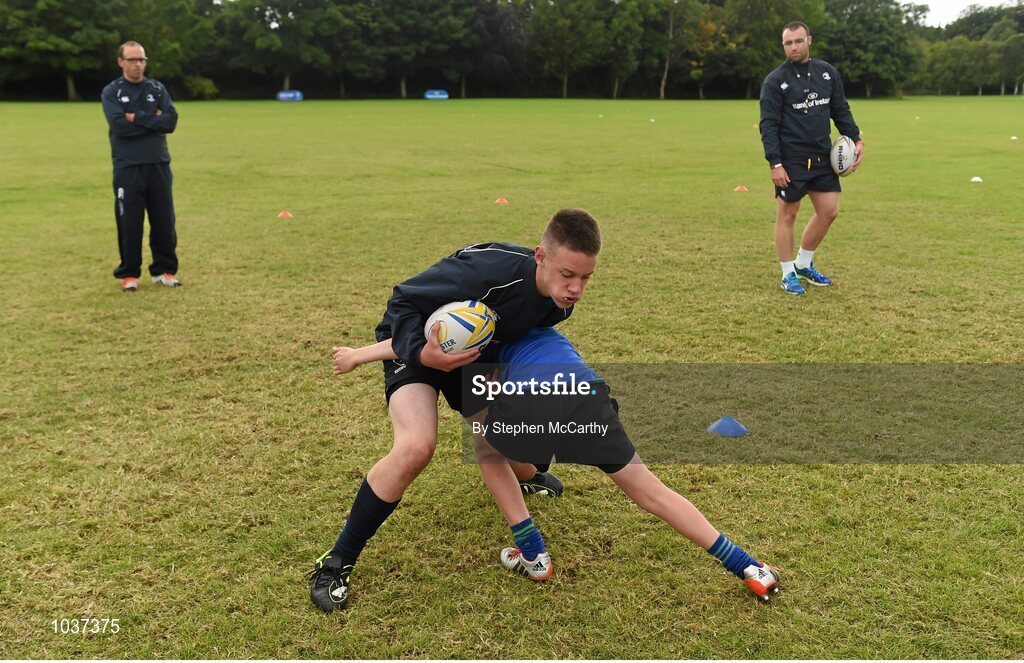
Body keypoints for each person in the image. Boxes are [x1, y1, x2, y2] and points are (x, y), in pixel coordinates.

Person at [332, 327, 783, 602]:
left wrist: (357, 355)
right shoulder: (534, 314)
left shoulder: (480, 321)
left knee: (488, 451)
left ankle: (533, 553)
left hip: (531, 405)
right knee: (650, 491)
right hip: (587, 394)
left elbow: (419, 340)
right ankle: (749, 568)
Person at [309, 209, 602, 613]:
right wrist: (422, 354)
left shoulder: (559, 301)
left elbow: (510, 334)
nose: (576, 288)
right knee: (416, 447)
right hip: (415, 343)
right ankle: (336, 562)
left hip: (471, 357)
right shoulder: (484, 272)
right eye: (568, 274)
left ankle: (528, 475)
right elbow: (405, 300)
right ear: (541, 257)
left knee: (507, 435)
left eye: (586, 278)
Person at [759, 21, 864, 296]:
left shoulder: (827, 73)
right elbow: (768, 125)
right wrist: (775, 162)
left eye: (798, 41)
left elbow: (840, 110)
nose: (793, 47)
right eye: (788, 43)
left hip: (822, 156)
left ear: (809, 40)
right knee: (788, 214)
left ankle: (803, 262)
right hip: (791, 159)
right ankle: (787, 273)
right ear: (783, 46)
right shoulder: (774, 81)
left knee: (829, 210)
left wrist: (856, 139)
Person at [101, 41, 181, 293]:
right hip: (128, 167)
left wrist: (135, 116)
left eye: (142, 60)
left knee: (164, 221)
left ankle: (163, 271)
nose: (138, 65)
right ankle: (129, 274)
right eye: (133, 60)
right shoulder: (112, 91)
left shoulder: (157, 88)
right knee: (129, 223)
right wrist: (152, 119)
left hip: (158, 163)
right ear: (121, 62)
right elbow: (119, 126)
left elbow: (170, 121)